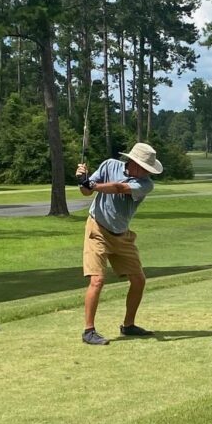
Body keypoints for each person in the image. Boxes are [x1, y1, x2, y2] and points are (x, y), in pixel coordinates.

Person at [75, 142, 163, 345]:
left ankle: (128, 326)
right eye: (145, 168)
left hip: (122, 235)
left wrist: (91, 185)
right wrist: (82, 180)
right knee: (97, 280)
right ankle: (89, 331)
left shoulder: (146, 184)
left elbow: (119, 187)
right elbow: (86, 192)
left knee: (139, 280)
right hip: (97, 229)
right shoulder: (109, 166)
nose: (147, 173)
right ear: (134, 162)